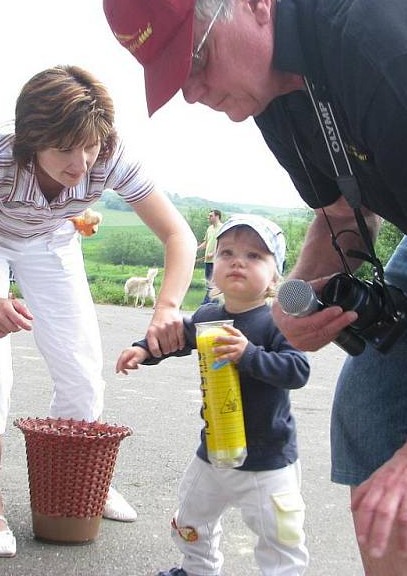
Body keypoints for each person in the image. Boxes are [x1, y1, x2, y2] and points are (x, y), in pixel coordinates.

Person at [103, 0, 407, 574]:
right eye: (172, 75)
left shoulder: (373, 29)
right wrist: (289, 304)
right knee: (368, 404)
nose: (192, 92)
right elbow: (344, 215)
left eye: (195, 57)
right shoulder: (271, 92)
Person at [0, 65, 197, 558]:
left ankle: (83, 490)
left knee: (81, 368)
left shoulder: (110, 152)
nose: (81, 164)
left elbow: (177, 235)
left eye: (91, 146)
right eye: (64, 149)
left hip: (52, 239)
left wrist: (166, 307)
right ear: (32, 140)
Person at [117, 214, 310, 576]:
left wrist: (249, 355)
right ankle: (197, 569)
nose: (238, 261)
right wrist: (144, 350)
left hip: (267, 460)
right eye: (227, 253)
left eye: (255, 256)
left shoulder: (277, 323)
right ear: (212, 266)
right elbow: (175, 339)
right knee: (190, 521)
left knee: (280, 538)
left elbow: (297, 371)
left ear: (275, 275)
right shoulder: (208, 315)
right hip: (215, 451)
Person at [196, 209, 223, 303]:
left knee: (215, 284)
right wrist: (196, 249)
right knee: (208, 282)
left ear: (217, 216)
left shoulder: (222, 228)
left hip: (217, 260)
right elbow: (206, 243)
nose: (209, 218)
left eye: (211, 216)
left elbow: (224, 245)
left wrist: (214, 253)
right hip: (207, 260)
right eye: (209, 216)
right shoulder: (209, 228)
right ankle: (209, 303)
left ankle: (209, 303)